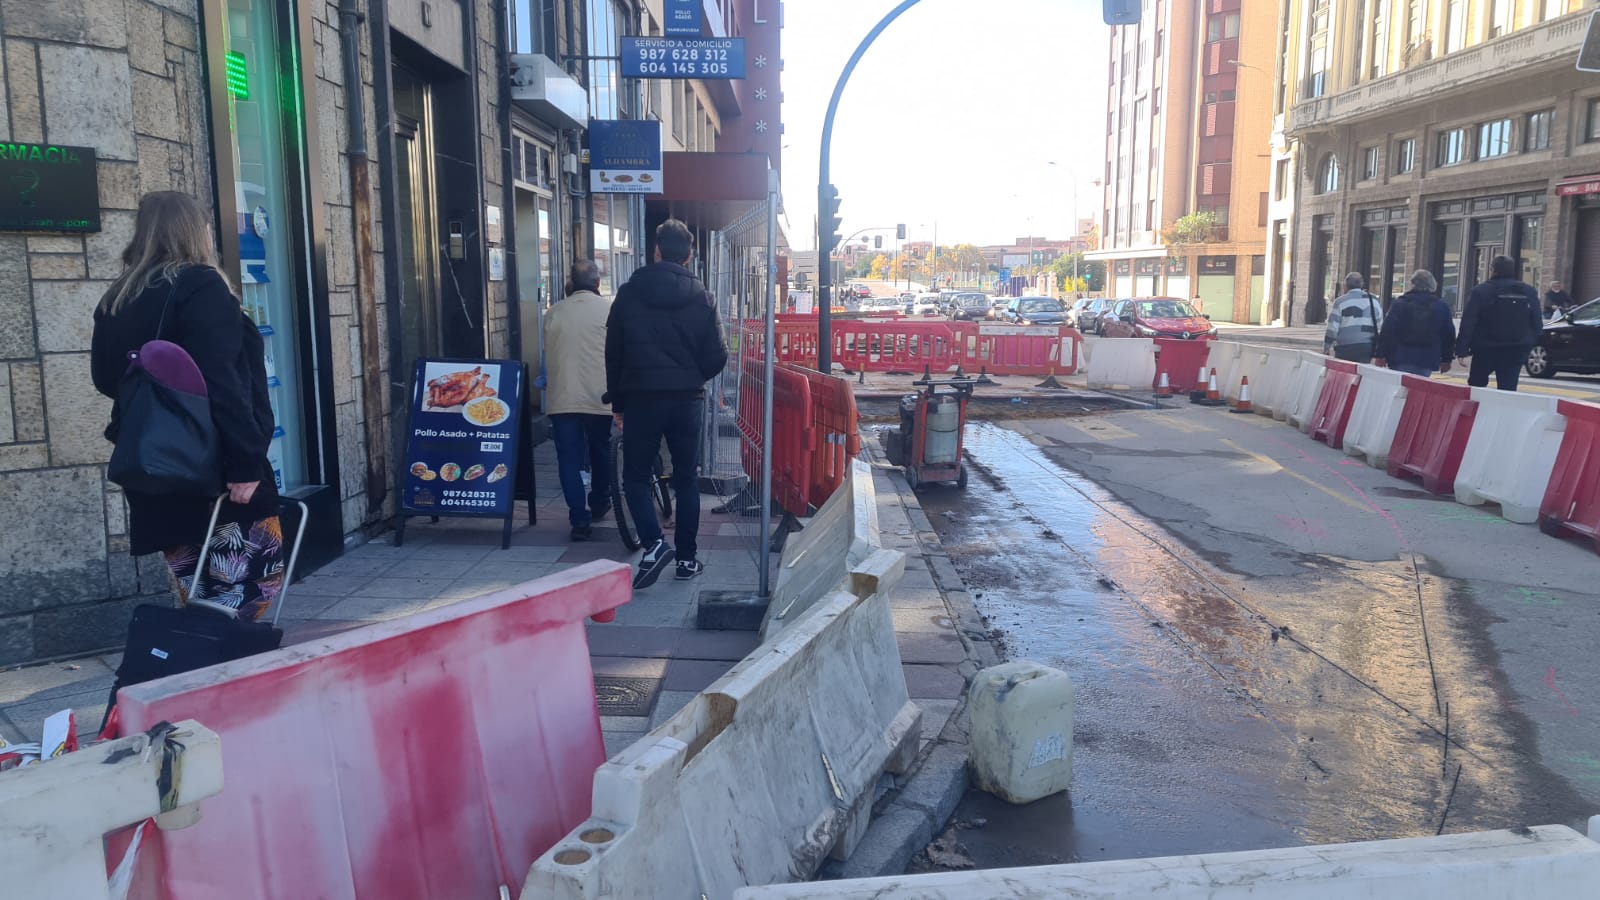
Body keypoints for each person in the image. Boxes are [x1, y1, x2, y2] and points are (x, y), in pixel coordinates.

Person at [90, 191, 281, 621]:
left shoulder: (118, 297)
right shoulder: (200, 285)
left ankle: (202, 667)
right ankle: (220, 671)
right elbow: (225, 382)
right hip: (214, 465)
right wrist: (245, 464)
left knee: (196, 586)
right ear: (197, 230)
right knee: (254, 585)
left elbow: (106, 380)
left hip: (154, 466)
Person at [604, 219, 728, 589]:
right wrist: (693, 376)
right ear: (689, 256)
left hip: (641, 397)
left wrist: (619, 403)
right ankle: (687, 559)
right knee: (687, 478)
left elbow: (614, 353)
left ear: (656, 251)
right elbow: (719, 355)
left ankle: (654, 544)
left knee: (636, 476)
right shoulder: (703, 296)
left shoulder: (628, 293)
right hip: (686, 400)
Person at [545, 259, 614, 541]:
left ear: (571, 283)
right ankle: (599, 501)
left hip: (563, 396)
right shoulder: (611, 310)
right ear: (598, 283)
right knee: (601, 451)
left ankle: (578, 518)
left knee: (568, 459)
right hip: (600, 396)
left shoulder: (554, 313)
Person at [1455, 254, 1543, 392]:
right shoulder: (1528, 291)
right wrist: (1528, 344)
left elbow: (1468, 322)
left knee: (1477, 387)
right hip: (1515, 349)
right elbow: (1537, 322)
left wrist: (1462, 350)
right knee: (1508, 389)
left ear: (1493, 270)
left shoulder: (1481, 291)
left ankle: (1478, 412)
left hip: (1485, 348)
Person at [1375, 270, 1455, 378]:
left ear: (1412, 284)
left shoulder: (1400, 303)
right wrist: (1447, 359)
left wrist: (1381, 354)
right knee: (1419, 389)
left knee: (1400, 388)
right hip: (1427, 358)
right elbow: (1448, 334)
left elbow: (1388, 330)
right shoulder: (1441, 306)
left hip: (1400, 356)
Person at [1323, 272, 1384, 363]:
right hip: (1366, 346)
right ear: (1362, 284)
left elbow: (1332, 328)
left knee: (1344, 373)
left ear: (1345, 286)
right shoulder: (1373, 300)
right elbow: (1380, 325)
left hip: (1345, 347)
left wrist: (1327, 346)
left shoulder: (1340, 302)